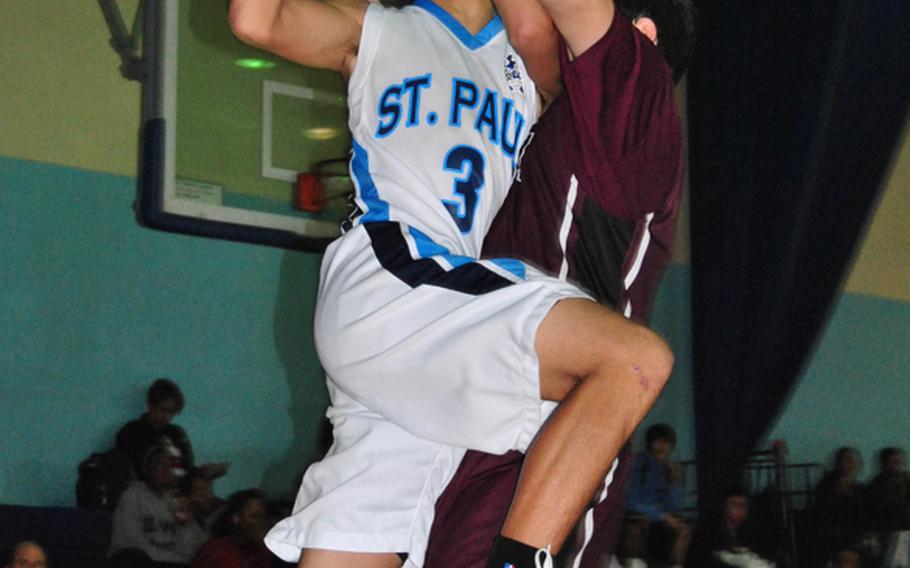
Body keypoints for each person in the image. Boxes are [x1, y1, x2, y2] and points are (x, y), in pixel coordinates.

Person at [229, 0, 674, 566]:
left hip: (443, 331)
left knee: (354, 547)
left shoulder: (529, 49)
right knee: (628, 359)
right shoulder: (374, 27)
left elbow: (548, 34)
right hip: (391, 279)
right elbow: (254, 19)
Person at [424, 0, 694, 564]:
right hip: (502, 402)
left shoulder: (638, 92)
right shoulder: (567, 112)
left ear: (639, 34)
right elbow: (526, 26)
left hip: (558, 424)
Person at [107, 445, 204, 567]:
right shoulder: (133, 496)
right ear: (147, 470)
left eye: (171, 466)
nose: (166, 470)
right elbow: (131, 543)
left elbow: (193, 549)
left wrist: (185, 524)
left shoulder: (178, 500)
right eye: (160, 465)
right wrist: (174, 560)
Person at [621, 424, 690, 568]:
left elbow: (674, 506)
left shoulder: (667, 468)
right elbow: (630, 499)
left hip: (658, 519)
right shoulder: (639, 462)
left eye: (667, 443)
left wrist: (675, 484)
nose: (662, 447)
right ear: (649, 443)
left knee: (684, 528)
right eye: (658, 441)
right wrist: (661, 515)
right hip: (636, 516)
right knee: (639, 526)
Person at [116, 378, 194, 480]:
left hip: (175, 488)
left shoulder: (176, 433)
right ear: (151, 406)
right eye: (163, 410)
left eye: (172, 412)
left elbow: (187, 467)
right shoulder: (130, 432)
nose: (167, 416)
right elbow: (125, 469)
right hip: (140, 489)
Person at [685, 484, 772, 568]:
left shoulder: (749, 530)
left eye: (744, 506)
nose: (741, 510)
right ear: (723, 506)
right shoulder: (709, 531)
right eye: (735, 505)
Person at [807, 447, 867, 566]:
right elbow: (824, 520)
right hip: (833, 541)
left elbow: (866, 515)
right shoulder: (825, 487)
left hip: (856, 539)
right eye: (845, 461)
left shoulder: (860, 490)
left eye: (852, 461)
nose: (847, 465)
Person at [192, 490, 273, 568]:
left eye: (262, 517)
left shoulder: (260, 552)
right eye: (255, 516)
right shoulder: (215, 551)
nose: (260, 523)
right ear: (236, 518)